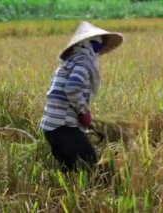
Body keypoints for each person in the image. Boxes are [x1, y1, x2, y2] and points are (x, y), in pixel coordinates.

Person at [40, 21, 123, 171]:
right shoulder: (83, 61)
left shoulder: (70, 61)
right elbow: (72, 88)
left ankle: (72, 192)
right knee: (89, 163)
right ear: (87, 44)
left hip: (50, 126)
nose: (99, 50)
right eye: (98, 46)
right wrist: (84, 112)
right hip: (63, 126)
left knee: (71, 169)